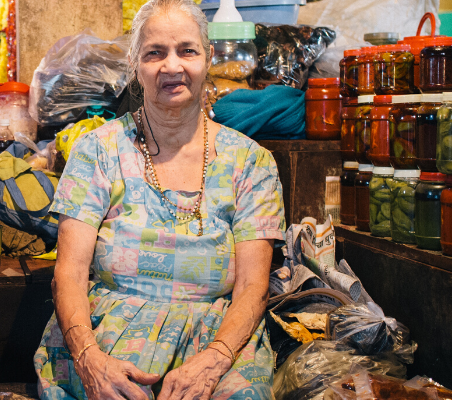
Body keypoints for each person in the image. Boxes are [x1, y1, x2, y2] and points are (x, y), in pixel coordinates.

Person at [32, 1, 285, 399]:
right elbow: (69, 272)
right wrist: (90, 358)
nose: (172, 66)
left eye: (187, 50)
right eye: (155, 53)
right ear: (135, 64)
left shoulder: (251, 162)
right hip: (107, 331)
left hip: (217, 337)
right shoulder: (98, 151)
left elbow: (254, 286)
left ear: (209, 57)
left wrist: (215, 359)